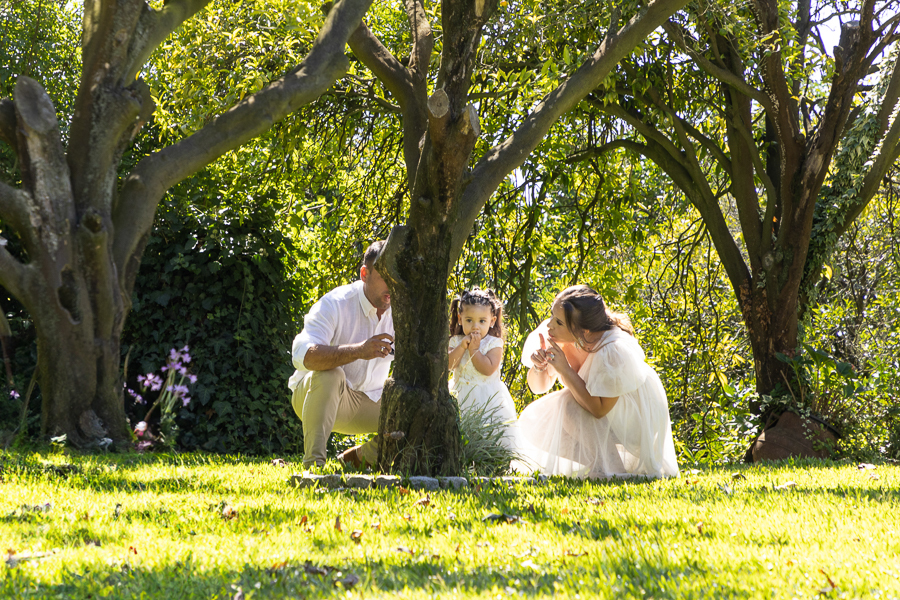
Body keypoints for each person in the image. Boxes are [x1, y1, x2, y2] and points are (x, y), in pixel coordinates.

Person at [516, 285, 679, 479]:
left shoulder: (612, 348)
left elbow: (600, 409)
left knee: (568, 404)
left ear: (583, 330)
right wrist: (540, 366)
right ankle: (604, 464)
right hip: (601, 410)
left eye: (558, 321)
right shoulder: (558, 333)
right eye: (552, 315)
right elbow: (538, 387)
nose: (550, 324)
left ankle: (610, 468)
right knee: (540, 417)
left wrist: (565, 370)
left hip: (635, 413)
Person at [288, 241, 394, 468]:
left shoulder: (401, 310)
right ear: (364, 274)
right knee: (330, 375)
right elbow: (303, 355)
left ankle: (357, 458)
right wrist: (359, 351)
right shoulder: (336, 302)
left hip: (370, 402)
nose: (392, 285)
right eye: (385, 277)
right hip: (315, 396)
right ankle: (314, 467)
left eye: (395, 276)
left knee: (416, 404)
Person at [448, 289, 519, 451]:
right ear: (460, 319)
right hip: (460, 393)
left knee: (489, 438)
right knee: (460, 436)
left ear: (492, 321)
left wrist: (474, 350)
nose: (475, 326)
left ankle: (489, 463)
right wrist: (461, 347)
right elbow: (449, 365)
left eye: (481, 321)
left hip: (487, 397)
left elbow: (487, 369)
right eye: (469, 320)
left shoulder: (494, 343)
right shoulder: (456, 341)